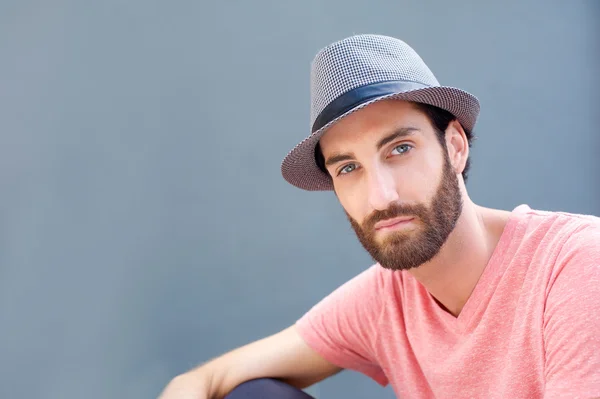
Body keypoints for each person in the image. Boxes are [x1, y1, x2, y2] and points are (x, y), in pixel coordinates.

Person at [159, 34, 600, 399]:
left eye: (400, 149)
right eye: (348, 168)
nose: (380, 196)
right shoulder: (388, 297)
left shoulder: (576, 263)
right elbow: (201, 382)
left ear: (455, 146)